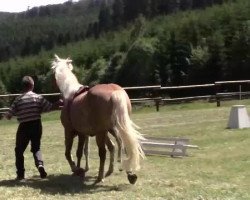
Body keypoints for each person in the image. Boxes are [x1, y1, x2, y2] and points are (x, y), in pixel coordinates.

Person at [4, 76, 62, 180]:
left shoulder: (18, 99)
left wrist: (15, 114)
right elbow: (49, 107)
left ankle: (20, 174)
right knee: (36, 148)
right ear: (32, 85)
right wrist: (57, 104)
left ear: (23, 86)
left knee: (19, 151)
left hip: (23, 127)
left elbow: (8, 115)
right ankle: (40, 165)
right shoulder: (37, 97)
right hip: (36, 125)